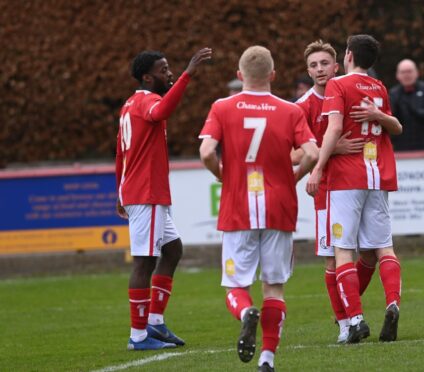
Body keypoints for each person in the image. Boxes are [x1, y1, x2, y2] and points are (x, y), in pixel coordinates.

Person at [199, 46, 318, 372]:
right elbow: (312, 152)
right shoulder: (290, 110)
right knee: (274, 286)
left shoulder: (222, 107)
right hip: (279, 205)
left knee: (236, 285)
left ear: (240, 77)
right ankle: (267, 358)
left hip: (238, 205)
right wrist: (292, 178)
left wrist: (224, 176)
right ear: (273, 76)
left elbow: (207, 151)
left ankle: (244, 312)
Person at [306, 34, 403, 343]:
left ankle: (355, 319)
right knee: (384, 247)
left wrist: (319, 167)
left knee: (342, 249)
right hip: (378, 177)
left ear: (346, 56)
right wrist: (378, 116)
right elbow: (396, 127)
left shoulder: (339, 85)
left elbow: (334, 128)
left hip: (347, 179)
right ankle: (392, 303)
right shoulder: (379, 87)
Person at [116, 47, 212, 350]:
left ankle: (155, 323)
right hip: (146, 192)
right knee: (145, 261)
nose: (168, 74)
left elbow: (121, 152)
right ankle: (139, 335)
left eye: (170, 69)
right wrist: (187, 74)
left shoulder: (129, 103)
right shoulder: (148, 100)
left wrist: (119, 191)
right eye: (163, 70)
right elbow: (161, 111)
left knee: (173, 250)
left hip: (140, 191)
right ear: (147, 77)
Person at [294, 40, 376, 344]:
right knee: (332, 259)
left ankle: (348, 306)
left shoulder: (349, 91)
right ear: (308, 70)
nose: (319, 70)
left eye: (324, 64)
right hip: (327, 191)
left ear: (336, 65)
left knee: (369, 253)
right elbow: (290, 153)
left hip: (359, 185)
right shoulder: (301, 107)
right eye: (313, 65)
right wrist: (326, 151)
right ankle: (346, 323)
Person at [389, 59, 424, 151]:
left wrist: (417, 112)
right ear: (397, 75)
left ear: (417, 73)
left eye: (409, 71)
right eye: (403, 72)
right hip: (401, 146)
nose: (406, 75)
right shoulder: (394, 93)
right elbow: (389, 116)